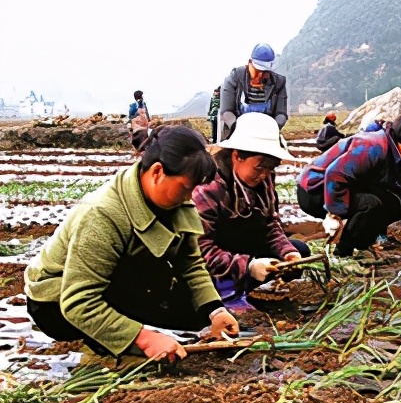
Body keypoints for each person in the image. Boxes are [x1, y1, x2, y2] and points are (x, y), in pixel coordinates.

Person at [24, 126, 239, 361]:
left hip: (122, 281)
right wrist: (145, 339)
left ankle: (125, 330)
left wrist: (215, 310)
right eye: (186, 187)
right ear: (158, 172)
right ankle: (107, 344)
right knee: (139, 342)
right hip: (57, 303)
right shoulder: (102, 215)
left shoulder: (176, 203)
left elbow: (189, 263)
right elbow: (79, 301)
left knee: (192, 314)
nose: (190, 197)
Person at [192, 113, 311, 307]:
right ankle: (230, 291)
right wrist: (247, 266)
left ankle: (250, 285)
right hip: (216, 259)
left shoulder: (264, 179)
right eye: (259, 168)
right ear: (237, 155)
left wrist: (287, 252)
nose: (264, 175)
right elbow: (200, 250)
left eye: (270, 169)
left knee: (300, 250)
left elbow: (270, 224)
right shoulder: (208, 187)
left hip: (246, 247)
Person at [296, 112, 401, 257]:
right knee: (371, 204)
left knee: (390, 201)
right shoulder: (373, 146)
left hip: (342, 187)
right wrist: (335, 215)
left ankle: (363, 244)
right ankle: (343, 254)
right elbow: (335, 174)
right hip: (315, 189)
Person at [218, 43, 288, 142]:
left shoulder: (278, 83)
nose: (262, 75)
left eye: (266, 72)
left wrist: (272, 129)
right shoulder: (235, 78)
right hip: (236, 133)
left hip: (266, 134)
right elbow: (227, 111)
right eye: (258, 70)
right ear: (250, 63)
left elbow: (281, 114)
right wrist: (237, 128)